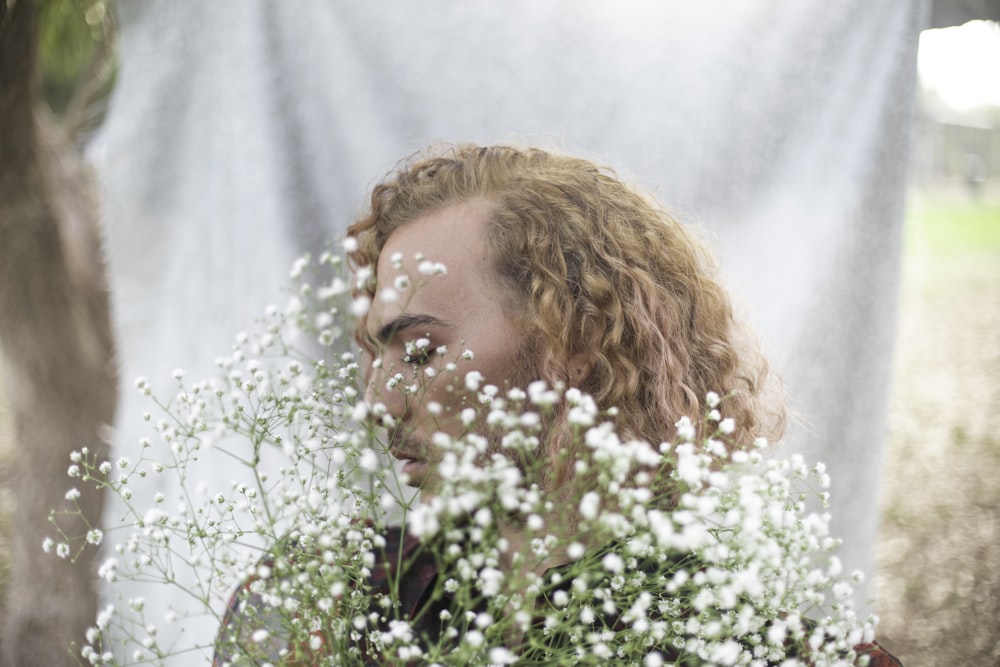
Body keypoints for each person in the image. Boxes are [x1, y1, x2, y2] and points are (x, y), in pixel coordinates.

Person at [214, 144, 899, 665]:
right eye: (377, 356)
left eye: (418, 351)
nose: (378, 403)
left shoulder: (764, 648)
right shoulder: (320, 600)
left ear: (575, 339)